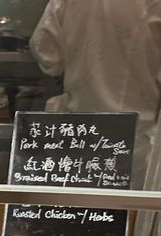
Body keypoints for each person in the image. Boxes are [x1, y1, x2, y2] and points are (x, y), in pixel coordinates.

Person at [30, 0, 161, 189]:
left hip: (80, 135)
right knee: (130, 204)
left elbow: (46, 52)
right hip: (140, 142)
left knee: (82, 203)